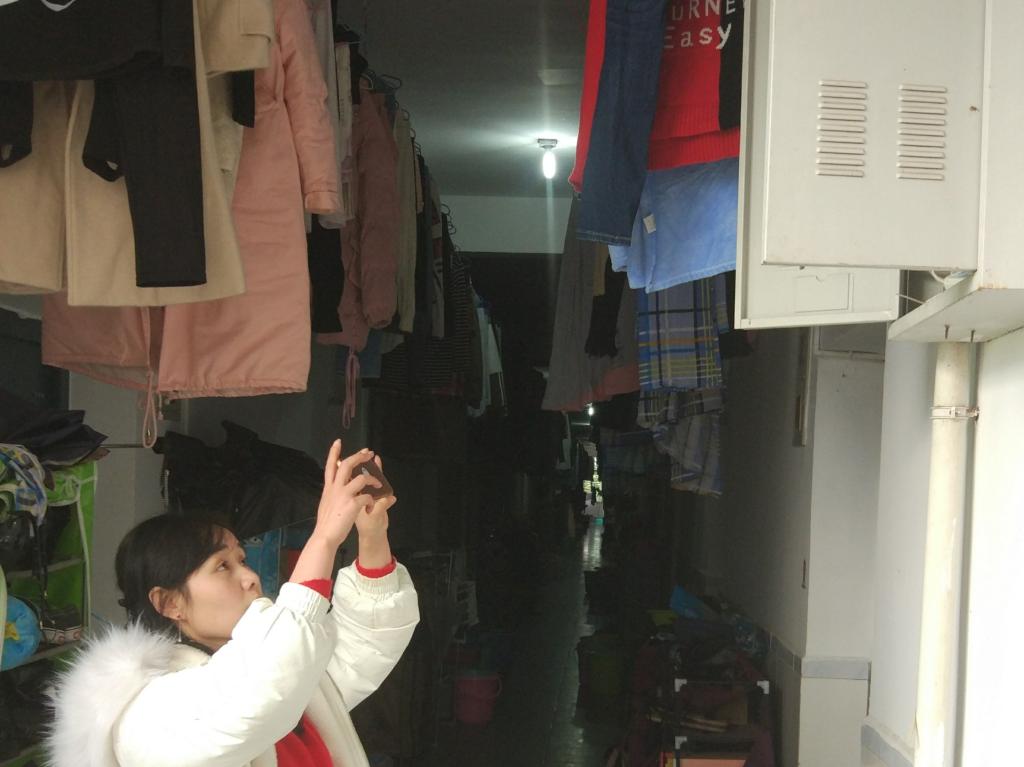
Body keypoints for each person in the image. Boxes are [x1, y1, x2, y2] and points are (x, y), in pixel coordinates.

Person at [46, 440, 419, 767]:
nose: (250, 577)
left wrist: (372, 535)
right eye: (222, 566)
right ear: (169, 603)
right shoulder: (147, 712)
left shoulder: (273, 662)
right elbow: (260, 690)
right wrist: (323, 539)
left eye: (242, 559)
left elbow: (359, 646)